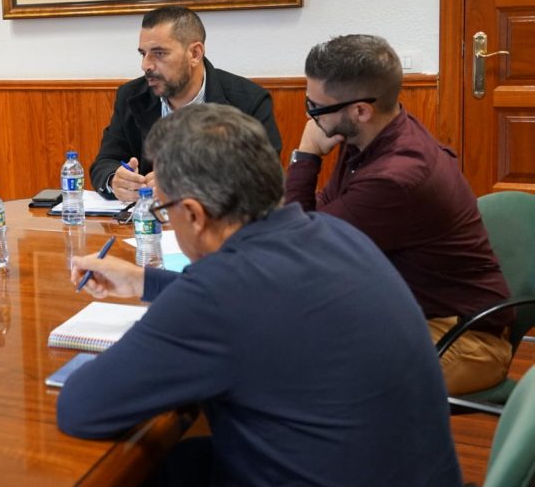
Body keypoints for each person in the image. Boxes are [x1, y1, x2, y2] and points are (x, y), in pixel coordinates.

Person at [59, 104, 460, 486]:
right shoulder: (334, 233)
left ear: (195, 215)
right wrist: (144, 282)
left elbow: (81, 408)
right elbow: (263, 304)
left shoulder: (220, 292)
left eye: (164, 208)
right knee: (186, 457)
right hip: (407, 472)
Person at [285, 34, 512, 396]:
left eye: (315, 108)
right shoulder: (367, 138)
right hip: (406, 315)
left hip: (465, 339)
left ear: (360, 110)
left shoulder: (394, 177)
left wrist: (306, 155)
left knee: (315, 384)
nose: (310, 118)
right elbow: (311, 225)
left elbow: (299, 250)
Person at [91, 5, 281, 202]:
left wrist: (186, 183)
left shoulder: (248, 101)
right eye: (143, 54)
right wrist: (115, 180)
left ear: (195, 54)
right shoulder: (131, 96)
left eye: (159, 53)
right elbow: (105, 162)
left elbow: (263, 178)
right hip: (147, 225)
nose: (146, 65)